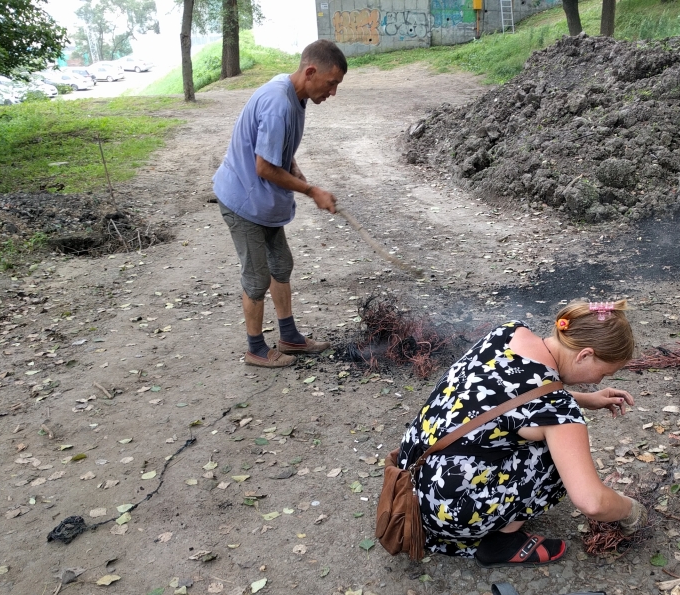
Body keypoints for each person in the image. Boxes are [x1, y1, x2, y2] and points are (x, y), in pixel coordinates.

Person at [397, 300, 648, 566]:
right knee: (559, 454)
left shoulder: (509, 332)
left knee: (548, 438)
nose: (598, 381)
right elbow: (592, 502)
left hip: (411, 477)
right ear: (584, 355)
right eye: (604, 373)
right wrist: (631, 510)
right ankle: (501, 542)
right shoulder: (559, 410)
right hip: (445, 511)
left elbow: (507, 394)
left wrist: (585, 399)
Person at [213, 40, 347, 368]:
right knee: (257, 277)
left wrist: (297, 171)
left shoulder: (293, 95)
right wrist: (311, 190)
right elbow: (265, 167)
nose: (332, 92)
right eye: (331, 83)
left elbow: (278, 149)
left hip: (264, 201)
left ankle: (288, 336)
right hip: (243, 200)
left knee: (281, 265)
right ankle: (256, 350)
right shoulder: (278, 104)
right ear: (310, 72)